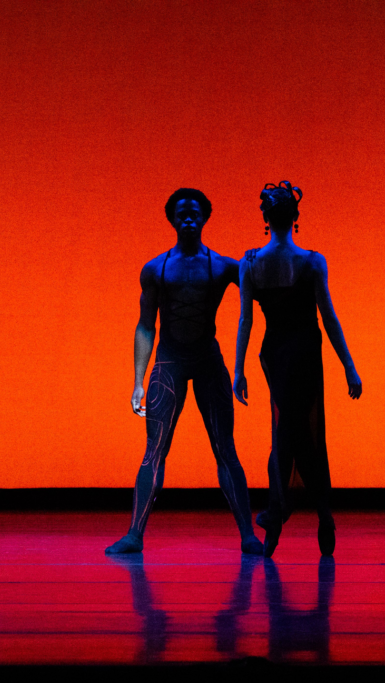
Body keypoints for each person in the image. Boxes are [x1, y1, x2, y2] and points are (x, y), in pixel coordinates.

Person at [107, 189, 262, 556]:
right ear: (172, 220)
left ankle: (248, 535)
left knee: (226, 449)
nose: (189, 219)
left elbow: (260, 291)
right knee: (154, 450)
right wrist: (138, 382)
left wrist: (260, 259)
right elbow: (146, 325)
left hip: (207, 359)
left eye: (195, 213)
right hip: (170, 360)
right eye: (182, 214)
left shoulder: (223, 266)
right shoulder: (156, 269)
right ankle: (134, 535)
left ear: (205, 217)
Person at [233, 181, 362, 558]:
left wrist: (239, 369)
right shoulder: (311, 261)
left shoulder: (251, 262)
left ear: (266, 217)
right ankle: (317, 512)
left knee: (288, 432)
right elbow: (329, 318)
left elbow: (246, 321)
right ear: (295, 216)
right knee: (300, 432)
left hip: (276, 352)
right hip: (303, 351)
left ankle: (279, 514)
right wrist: (348, 366)